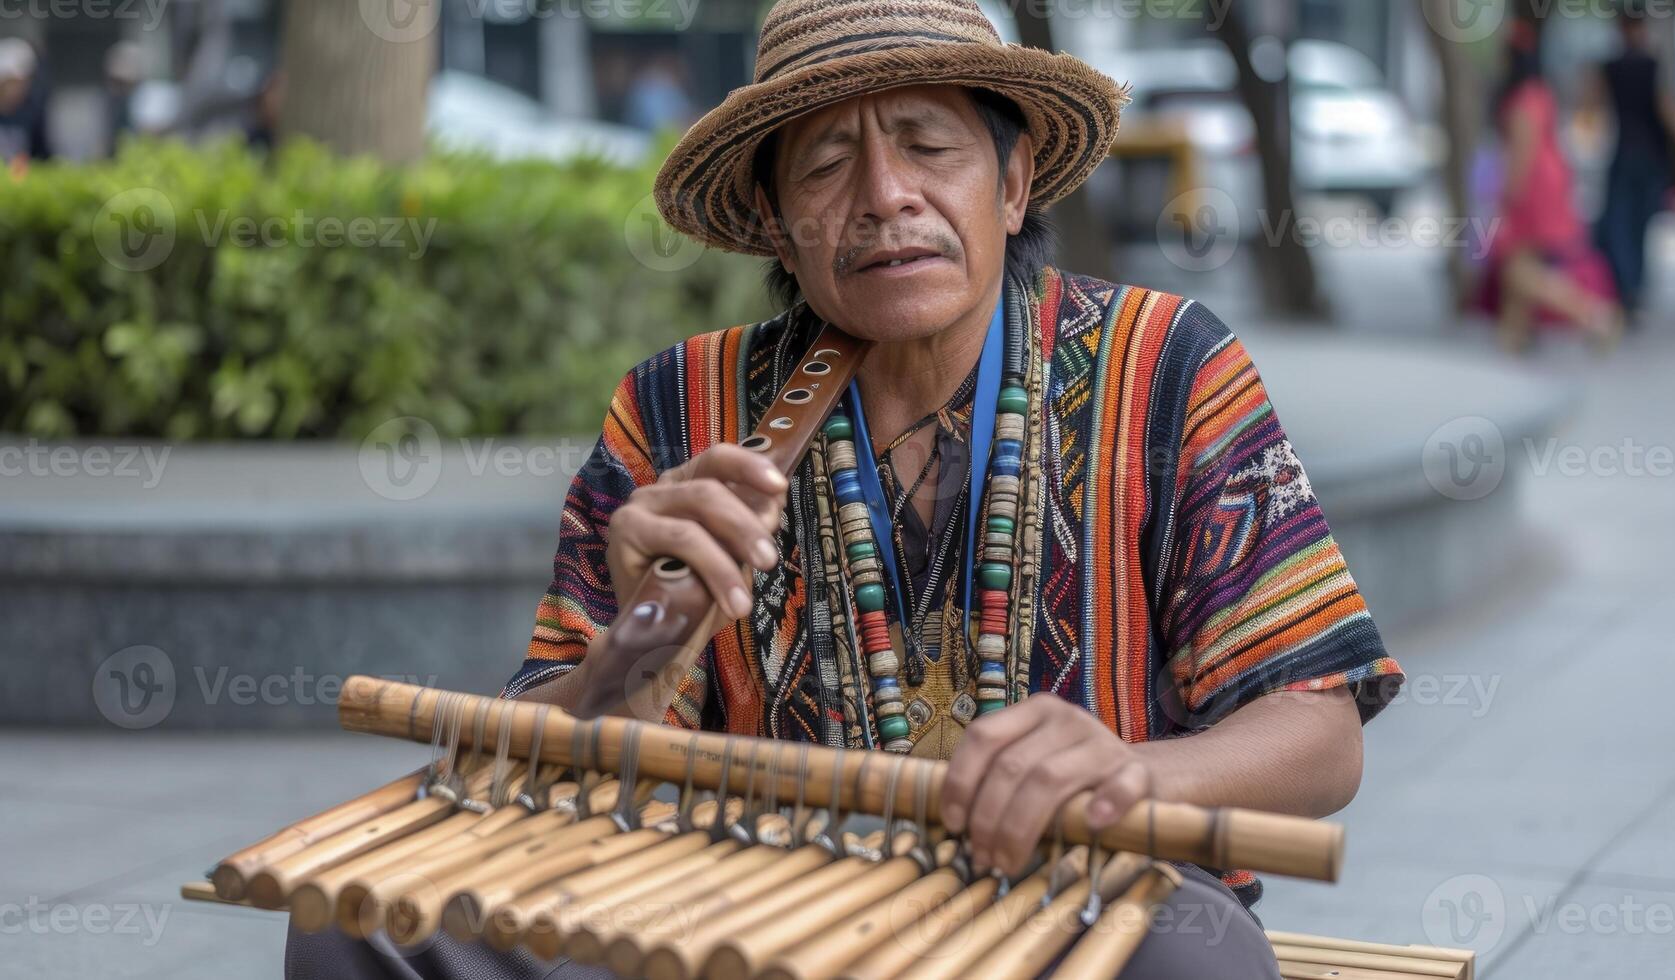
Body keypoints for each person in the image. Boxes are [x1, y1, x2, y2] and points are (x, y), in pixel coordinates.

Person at [284, 2, 1402, 976]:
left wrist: (1122, 775)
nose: (883, 196)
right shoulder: (678, 406)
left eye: (930, 146)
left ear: (1012, 184)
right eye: (825, 164)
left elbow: (1320, 734)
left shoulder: (1168, 365)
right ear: (775, 219)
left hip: (1077, 896)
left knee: (1191, 952)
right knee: (368, 918)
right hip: (747, 901)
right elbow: (544, 763)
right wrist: (634, 643)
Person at [1481, 17, 1624, 353]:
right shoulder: (1541, 92)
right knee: (1519, 265)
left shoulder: (1522, 99)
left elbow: (1522, 153)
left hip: (1533, 190)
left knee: (1519, 269)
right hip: (1549, 183)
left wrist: (1505, 197)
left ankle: (1594, 314)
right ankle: (1514, 336)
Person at [1589, 1, 1675, 318]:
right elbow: (1667, 110)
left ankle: (1626, 287)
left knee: (1620, 224)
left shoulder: (1611, 66)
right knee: (1639, 227)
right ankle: (1633, 288)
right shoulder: (1653, 65)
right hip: (1650, 156)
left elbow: (1592, 106)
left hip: (1624, 152)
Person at [0, 38, 50, 166]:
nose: (18, 88)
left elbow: (43, 158)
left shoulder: (33, 113)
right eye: (11, 82)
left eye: (24, 82)